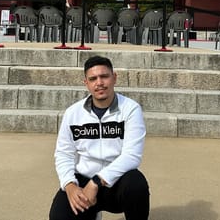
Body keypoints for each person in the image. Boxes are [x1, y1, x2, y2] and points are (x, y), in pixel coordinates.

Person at [49, 55, 150, 220]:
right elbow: (63, 153)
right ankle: (92, 213)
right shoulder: (73, 113)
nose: (99, 83)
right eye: (93, 78)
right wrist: (69, 185)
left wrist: (97, 181)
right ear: (86, 83)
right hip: (83, 182)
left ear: (114, 78)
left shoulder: (131, 109)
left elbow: (132, 156)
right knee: (59, 216)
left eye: (104, 76)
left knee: (136, 184)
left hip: (117, 182)